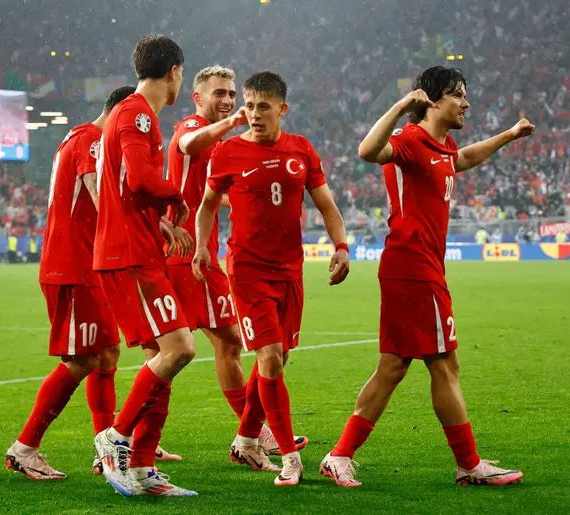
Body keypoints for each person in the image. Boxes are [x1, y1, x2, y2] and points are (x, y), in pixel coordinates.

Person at [319, 66, 534, 487]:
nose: (466, 103)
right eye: (458, 95)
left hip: (421, 268)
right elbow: (367, 151)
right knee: (444, 363)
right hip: (412, 269)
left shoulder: (443, 145)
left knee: (393, 367)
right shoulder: (410, 140)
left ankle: (339, 455)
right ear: (432, 100)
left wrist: (508, 136)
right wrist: (401, 107)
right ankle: (469, 464)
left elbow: (464, 158)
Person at [193, 70, 350, 486]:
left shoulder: (301, 149)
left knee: (278, 361)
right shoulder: (226, 152)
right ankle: (288, 458)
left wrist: (341, 247)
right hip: (246, 270)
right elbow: (207, 205)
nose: (255, 114)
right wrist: (202, 246)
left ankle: (245, 438)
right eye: (249, 106)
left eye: (264, 106)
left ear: (282, 108)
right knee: (270, 357)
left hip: (290, 272)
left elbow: (327, 207)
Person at [165, 65, 307, 462]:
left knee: (207, 347)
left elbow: (210, 192)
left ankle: (134, 434)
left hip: (195, 252)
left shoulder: (226, 146)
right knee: (223, 344)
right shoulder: (191, 126)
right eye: (219, 94)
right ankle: (252, 435)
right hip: (186, 255)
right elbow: (189, 144)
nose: (227, 101)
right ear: (198, 97)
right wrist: (231, 122)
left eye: (231, 94)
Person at [4, 85, 135, 480]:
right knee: (82, 359)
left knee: (108, 352)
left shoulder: (80, 138)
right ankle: (25, 448)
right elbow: (101, 198)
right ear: (117, 113)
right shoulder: (92, 141)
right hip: (72, 266)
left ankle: (104, 447)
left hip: (89, 266)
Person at [92, 34, 197, 498]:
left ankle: (141, 468)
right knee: (179, 350)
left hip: (137, 247)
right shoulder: (136, 112)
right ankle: (115, 437)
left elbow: (126, 191)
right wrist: (176, 194)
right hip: (128, 257)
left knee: (164, 355)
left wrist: (159, 224)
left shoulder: (130, 114)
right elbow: (138, 178)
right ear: (174, 71)